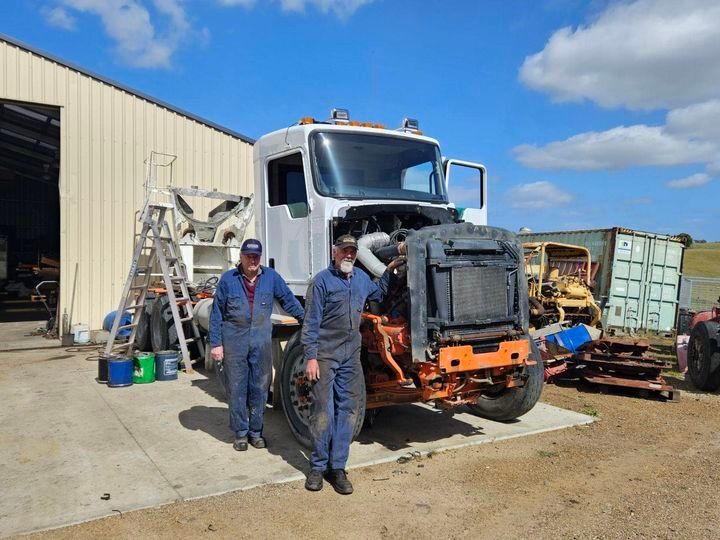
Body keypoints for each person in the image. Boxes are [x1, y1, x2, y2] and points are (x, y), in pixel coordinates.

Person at [302, 234, 405, 494]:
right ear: (334, 252)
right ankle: (317, 467)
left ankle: (338, 468)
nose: (348, 255)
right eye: (344, 251)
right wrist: (311, 357)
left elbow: (379, 292)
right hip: (325, 354)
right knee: (322, 410)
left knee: (347, 409)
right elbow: (311, 323)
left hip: (350, 355)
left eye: (352, 251)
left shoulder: (360, 279)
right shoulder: (321, 282)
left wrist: (390, 270)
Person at [209, 238, 304, 452]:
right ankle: (241, 433)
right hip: (234, 338)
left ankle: (256, 432)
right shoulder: (228, 280)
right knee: (236, 386)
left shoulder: (271, 277)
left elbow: (288, 300)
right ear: (241, 257)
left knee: (260, 385)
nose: (252, 260)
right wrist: (216, 344)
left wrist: (305, 319)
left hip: (260, 338)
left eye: (256, 256)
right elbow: (217, 314)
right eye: (248, 256)